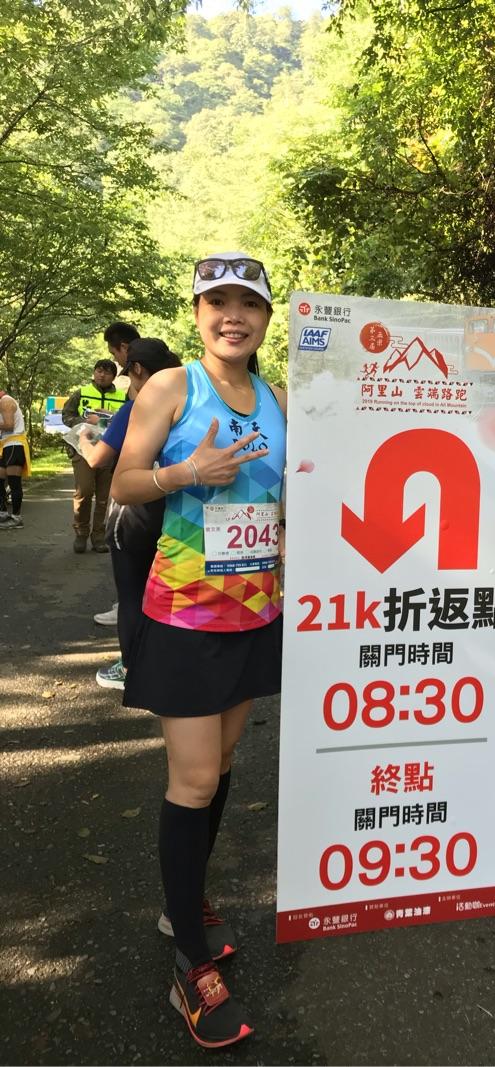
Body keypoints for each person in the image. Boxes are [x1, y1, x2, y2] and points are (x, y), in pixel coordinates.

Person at [111, 252, 286, 1049]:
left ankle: (185, 902)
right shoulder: (170, 386)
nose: (232, 315)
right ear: (196, 314)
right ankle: (189, 962)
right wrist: (187, 470)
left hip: (253, 612)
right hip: (184, 615)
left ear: (265, 318)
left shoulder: (277, 399)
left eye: (247, 303)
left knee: (222, 763)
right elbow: (124, 482)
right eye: (217, 302)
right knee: (193, 777)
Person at [75, 339, 182, 689]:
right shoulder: (189, 406)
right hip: (176, 510)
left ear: (137, 369)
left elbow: (97, 459)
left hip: (133, 512)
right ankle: (168, 660)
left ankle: (131, 668)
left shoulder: (137, 409)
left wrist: (83, 437)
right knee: (169, 589)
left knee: (132, 592)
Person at [62, 358, 128, 553]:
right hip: (83, 450)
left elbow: (129, 420)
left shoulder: (122, 397)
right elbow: (66, 416)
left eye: (107, 372)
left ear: (113, 376)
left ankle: (98, 536)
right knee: (84, 491)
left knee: (103, 497)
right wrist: (84, 422)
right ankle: (81, 532)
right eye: (99, 371)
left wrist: (103, 420)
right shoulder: (81, 393)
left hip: (109, 450)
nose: (102, 375)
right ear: (94, 372)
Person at [0, 389, 30, 530]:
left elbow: (9, 425)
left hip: (14, 444)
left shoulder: (5, 401)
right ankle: (3, 513)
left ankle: (17, 518)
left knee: (14, 482)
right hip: (5, 445)